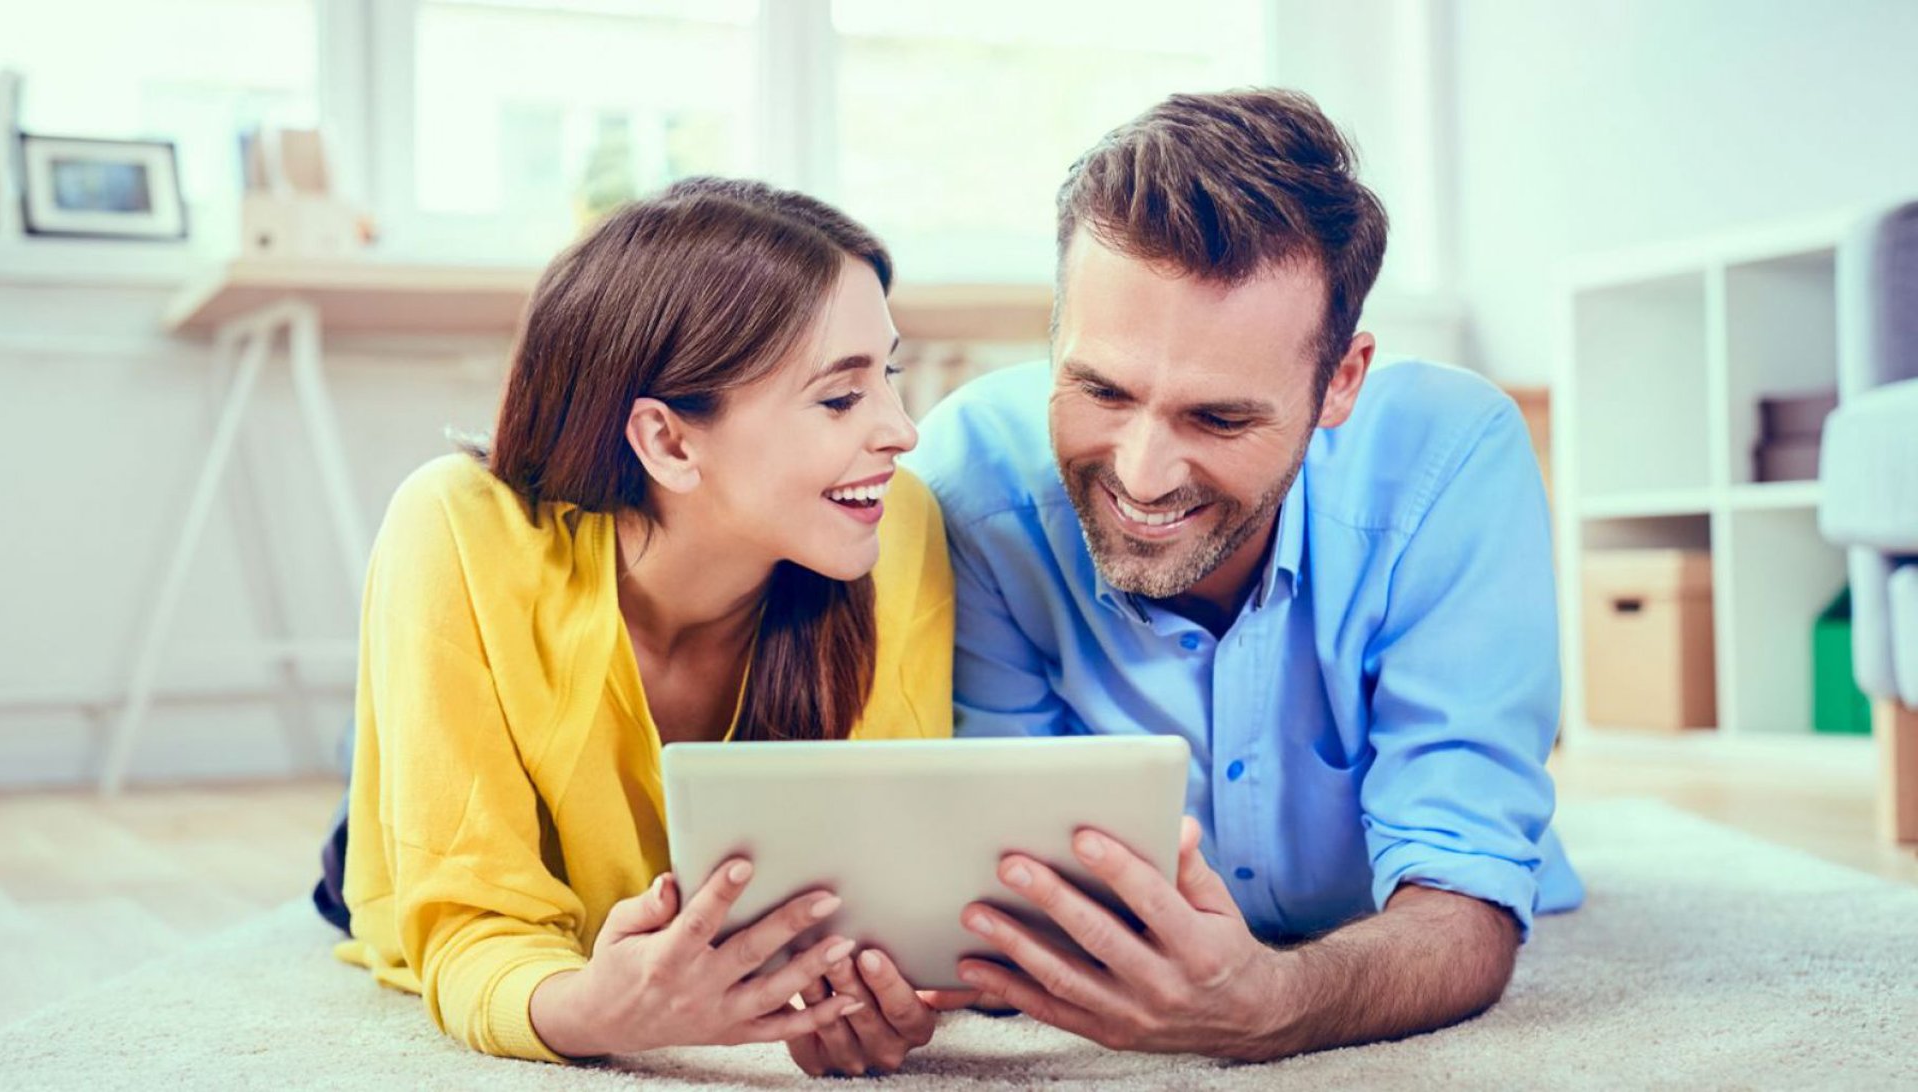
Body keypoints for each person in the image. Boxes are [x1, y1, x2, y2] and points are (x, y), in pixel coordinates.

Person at [905, 88, 1585, 1061]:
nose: (1140, 476)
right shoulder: (969, 481)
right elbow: (1002, 870)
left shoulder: (1452, 460)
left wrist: (1280, 1002)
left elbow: (1463, 907)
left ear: (1340, 381)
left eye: (1219, 419)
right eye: (1100, 389)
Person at [325, 177, 971, 1075]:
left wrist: (870, 983)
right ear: (669, 441)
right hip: (487, 809)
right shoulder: (455, 526)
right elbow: (473, 925)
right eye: (839, 399)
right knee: (370, 863)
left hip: (661, 864)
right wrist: (596, 1011)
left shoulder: (893, 526)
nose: (901, 432)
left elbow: (885, 884)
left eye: (888, 377)